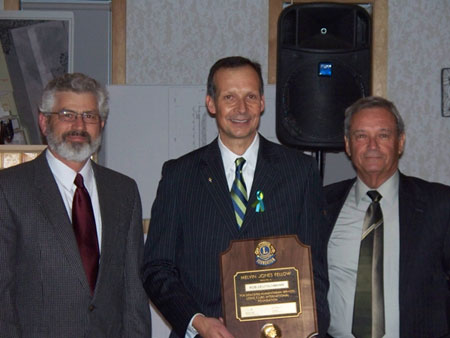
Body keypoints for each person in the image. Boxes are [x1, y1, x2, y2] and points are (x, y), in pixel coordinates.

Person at [143, 56, 329, 338]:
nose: (241, 108)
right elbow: (157, 268)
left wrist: (309, 328)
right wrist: (197, 321)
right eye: (229, 96)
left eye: (250, 96)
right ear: (211, 104)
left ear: (262, 103)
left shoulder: (300, 172)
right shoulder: (179, 176)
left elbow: (314, 267)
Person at [0, 73, 152, 337]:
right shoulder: (10, 188)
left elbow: (133, 293)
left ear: (102, 124)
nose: (79, 125)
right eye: (67, 114)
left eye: (89, 116)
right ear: (44, 121)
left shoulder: (123, 191)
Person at [325, 96, 450, 338]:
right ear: (348, 145)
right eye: (361, 136)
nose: (372, 145)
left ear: (400, 142)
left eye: (383, 135)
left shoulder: (440, 204)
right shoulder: (321, 205)